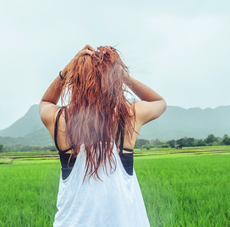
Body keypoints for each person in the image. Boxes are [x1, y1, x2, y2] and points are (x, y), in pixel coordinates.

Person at [39, 45, 166, 227]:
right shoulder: (128, 116)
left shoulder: (60, 120)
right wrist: (120, 75)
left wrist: (70, 67)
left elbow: (46, 102)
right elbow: (159, 102)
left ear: (76, 82)